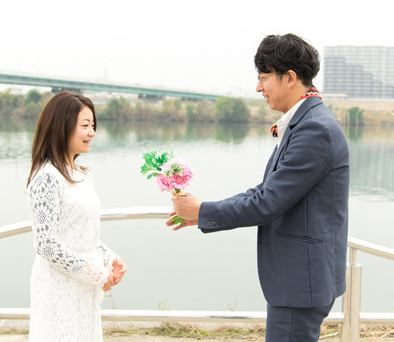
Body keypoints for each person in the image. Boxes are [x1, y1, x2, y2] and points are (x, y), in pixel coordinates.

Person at [169, 34, 349, 342]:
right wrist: (202, 212)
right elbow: (266, 190)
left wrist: (203, 211)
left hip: (300, 283)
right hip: (300, 280)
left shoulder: (313, 128)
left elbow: (267, 202)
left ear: (289, 78)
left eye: (264, 78)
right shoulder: (305, 120)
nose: (258, 87)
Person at [26, 91, 126, 342]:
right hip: (58, 285)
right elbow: (46, 244)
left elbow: (80, 232)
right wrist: (97, 274)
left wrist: (109, 258)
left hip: (84, 285)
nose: (92, 133)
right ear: (62, 126)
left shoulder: (81, 175)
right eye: (85, 126)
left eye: (93, 126)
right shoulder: (46, 177)